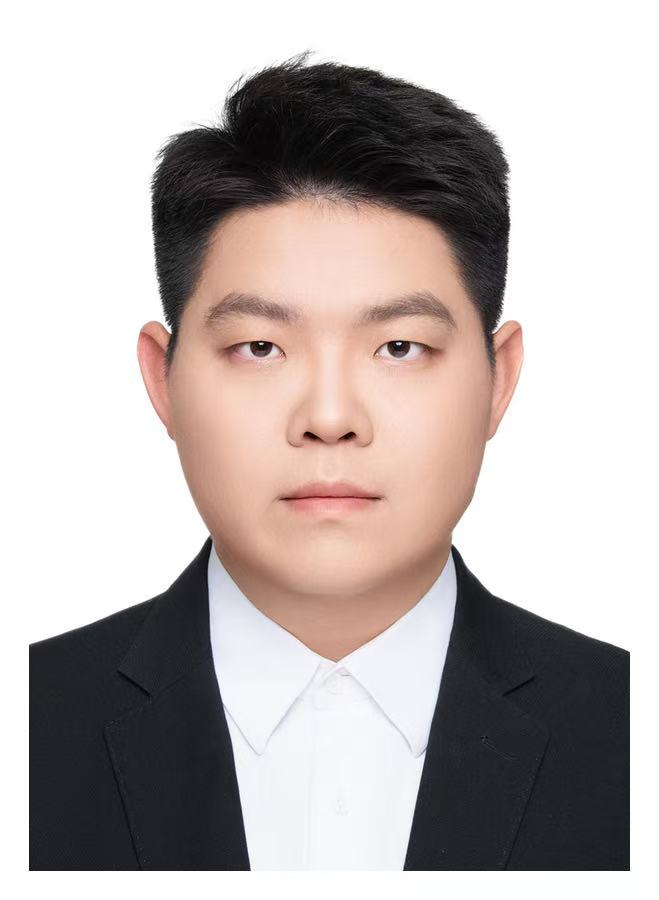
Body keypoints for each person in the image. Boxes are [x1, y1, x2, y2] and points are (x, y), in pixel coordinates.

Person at [29, 51, 629, 871]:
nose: (330, 419)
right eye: (260, 347)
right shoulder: (26, 725)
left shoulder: (630, 731)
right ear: (162, 380)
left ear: (498, 381)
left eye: (399, 347)